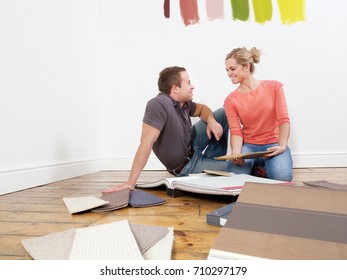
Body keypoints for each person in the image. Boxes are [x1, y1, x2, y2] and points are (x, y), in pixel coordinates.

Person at [104, 66, 230, 192]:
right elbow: (146, 143)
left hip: (192, 148)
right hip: (188, 166)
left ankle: (212, 163)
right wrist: (131, 182)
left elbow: (202, 109)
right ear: (175, 89)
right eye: (188, 83)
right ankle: (212, 169)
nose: (192, 87)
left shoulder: (183, 103)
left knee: (223, 113)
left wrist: (211, 121)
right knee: (240, 168)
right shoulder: (158, 104)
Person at [223, 47, 293, 182]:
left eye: (232, 69)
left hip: (273, 143)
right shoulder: (231, 100)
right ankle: (258, 169)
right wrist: (236, 152)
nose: (229, 73)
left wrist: (282, 145)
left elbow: (283, 119)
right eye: (227, 70)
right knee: (233, 179)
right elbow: (236, 130)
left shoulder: (274, 87)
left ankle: (260, 169)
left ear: (246, 67)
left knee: (281, 177)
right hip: (249, 147)